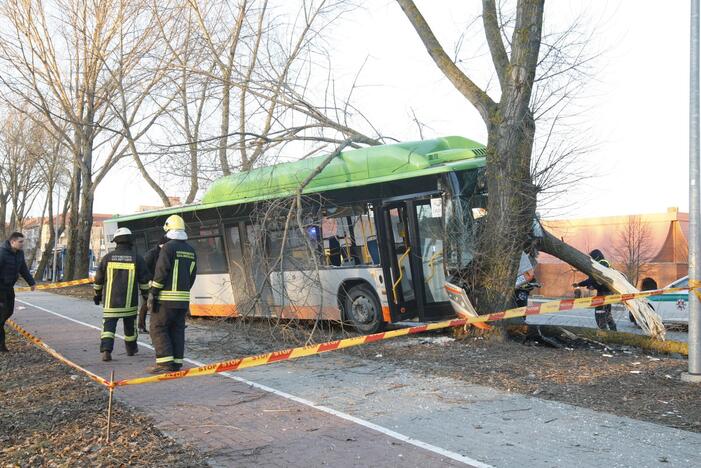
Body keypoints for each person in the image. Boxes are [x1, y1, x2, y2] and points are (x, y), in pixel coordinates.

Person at [147, 215, 197, 373]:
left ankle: (164, 364)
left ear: (168, 230)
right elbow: (192, 275)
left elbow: (161, 272)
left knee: (158, 328)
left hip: (165, 300)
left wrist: (153, 292)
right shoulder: (190, 250)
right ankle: (176, 363)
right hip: (183, 300)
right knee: (177, 329)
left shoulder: (168, 248)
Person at [93, 227, 150, 362]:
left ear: (116, 242)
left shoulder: (107, 258)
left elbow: (98, 279)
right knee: (130, 328)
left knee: (108, 328)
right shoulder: (137, 258)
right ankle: (131, 349)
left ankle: (106, 351)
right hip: (129, 303)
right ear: (130, 241)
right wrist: (146, 296)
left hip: (110, 303)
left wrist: (97, 294)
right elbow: (144, 280)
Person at [0, 232, 36, 352]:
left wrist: (31, 282)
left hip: (9, 288)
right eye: (20, 242)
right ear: (12, 242)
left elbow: (23, 269)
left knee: (8, 312)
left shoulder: (19, 253)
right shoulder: (2, 253)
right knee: (1, 316)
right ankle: (1, 346)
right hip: (0, 289)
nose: (22, 244)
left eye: (23, 242)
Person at [572, 249, 617, 331]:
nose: (591, 260)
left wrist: (581, 284)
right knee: (607, 315)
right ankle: (614, 333)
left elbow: (594, 279)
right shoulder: (604, 263)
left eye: (592, 258)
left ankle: (605, 335)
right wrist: (593, 286)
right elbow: (598, 281)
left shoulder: (602, 263)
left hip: (604, 294)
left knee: (600, 315)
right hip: (606, 293)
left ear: (596, 257)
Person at [137, 236, 169, 334]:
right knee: (146, 304)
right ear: (162, 245)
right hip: (149, 282)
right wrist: (150, 279)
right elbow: (143, 269)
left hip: (159, 281)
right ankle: (141, 326)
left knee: (162, 303)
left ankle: (164, 325)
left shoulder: (164, 253)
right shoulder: (151, 254)